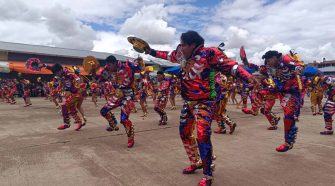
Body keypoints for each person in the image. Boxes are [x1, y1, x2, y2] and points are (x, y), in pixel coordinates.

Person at [143, 30, 255, 186]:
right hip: (188, 102)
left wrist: (247, 76)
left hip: (205, 102)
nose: (180, 48)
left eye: (183, 44)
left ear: (192, 44)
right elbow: (167, 55)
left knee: (202, 135)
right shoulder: (182, 55)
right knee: (184, 133)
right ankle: (196, 161)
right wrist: (150, 51)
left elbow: (231, 66)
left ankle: (208, 175)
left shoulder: (210, 53)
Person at [98, 55, 144, 148]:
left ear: (115, 63)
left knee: (124, 119)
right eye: (107, 65)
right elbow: (100, 79)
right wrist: (94, 73)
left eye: (110, 65)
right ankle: (113, 124)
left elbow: (140, 70)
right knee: (103, 111)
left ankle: (130, 138)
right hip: (117, 95)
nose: (108, 67)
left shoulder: (127, 65)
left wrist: (139, 62)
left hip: (128, 95)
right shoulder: (106, 69)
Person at [262, 50, 302, 152]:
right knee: (288, 115)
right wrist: (246, 62)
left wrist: (297, 70)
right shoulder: (269, 67)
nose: (268, 62)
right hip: (282, 92)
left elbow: (298, 65)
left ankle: (288, 143)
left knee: (289, 114)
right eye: (266, 61)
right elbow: (258, 69)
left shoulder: (285, 59)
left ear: (276, 57)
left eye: (269, 60)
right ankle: (289, 142)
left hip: (293, 91)